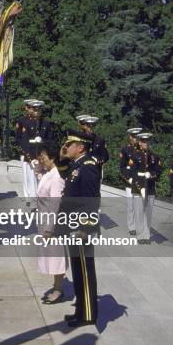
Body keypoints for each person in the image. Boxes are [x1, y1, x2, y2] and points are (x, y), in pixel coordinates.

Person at [58, 130, 101, 327]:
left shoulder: (89, 166)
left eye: (71, 144)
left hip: (81, 229)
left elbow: (91, 200)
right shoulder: (78, 164)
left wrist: (85, 228)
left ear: (81, 147)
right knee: (77, 271)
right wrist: (62, 156)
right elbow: (64, 174)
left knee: (84, 271)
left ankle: (88, 315)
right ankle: (80, 311)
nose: (67, 147)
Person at [36, 142, 67, 304]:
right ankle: (56, 286)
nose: (41, 159)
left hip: (53, 224)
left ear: (53, 158)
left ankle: (58, 289)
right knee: (51, 257)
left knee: (56, 257)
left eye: (44, 156)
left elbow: (56, 204)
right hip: (45, 221)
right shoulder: (49, 173)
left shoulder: (56, 178)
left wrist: (49, 228)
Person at [15, 99, 54, 199]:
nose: (36, 112)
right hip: (29, 155)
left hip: (42, 156)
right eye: (34, 109)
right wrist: (29, 156)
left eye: (38, 110)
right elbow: (21, 139)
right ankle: (31, 199)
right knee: (30, 179)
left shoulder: (46, 123)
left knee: (41, 179)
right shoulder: (24, 122)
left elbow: (50, 140)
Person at [130, 133, 162, 244]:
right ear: (139, 142)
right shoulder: (134, 155)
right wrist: (140, 188)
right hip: (138, 189)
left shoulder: (154, 156)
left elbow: (158, 171)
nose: (146, 143)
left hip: (150, 188)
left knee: (148, 213)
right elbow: (132, 173)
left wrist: (151, 175)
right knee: (139, 213)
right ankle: (140, 235)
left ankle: (147, 235)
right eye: (143, 141)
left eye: (147, 141)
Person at [119, 128, 142, 236]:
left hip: (140, 182)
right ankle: (131, 226)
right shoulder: (125, 150)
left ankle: (139, 225)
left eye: (137, 137)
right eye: (133, 136)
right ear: (130, 137)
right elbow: (123, 167)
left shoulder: (142, 150)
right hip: (130, 182)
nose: (135, 139)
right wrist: (127, 178)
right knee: (131, 206)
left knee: (139, 205)